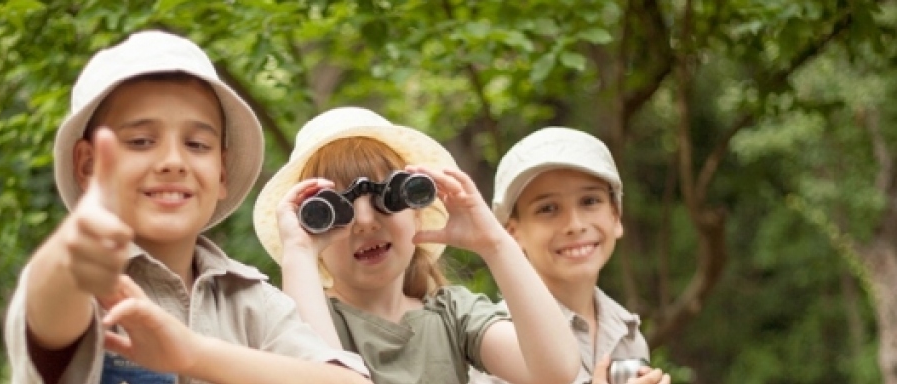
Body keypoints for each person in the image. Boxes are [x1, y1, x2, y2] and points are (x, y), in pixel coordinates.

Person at [3, 30, 370, 384]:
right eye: (142, 141)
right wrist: (71, 253)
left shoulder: (251, 301)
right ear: (87, 165)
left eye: (196, 144)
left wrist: (192, 354)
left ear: (222, 171)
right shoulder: (82, 280)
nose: (173, 161)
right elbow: (52, 302)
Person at [250, 107, 581, 384]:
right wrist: (297, 252)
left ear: (419, 211)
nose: (365, 221)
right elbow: (312, 376)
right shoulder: (316, 322)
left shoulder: (452, 315)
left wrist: (495, 242)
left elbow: (556, 373)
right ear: (313, 229)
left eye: (385, 198)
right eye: (338, 209)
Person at [470, 127, 671, 384]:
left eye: (589, 201)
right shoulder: (497, 341)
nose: (574, 224)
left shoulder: (627, 332)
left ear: (616, 216)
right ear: (513, 234)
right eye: (548, 208)